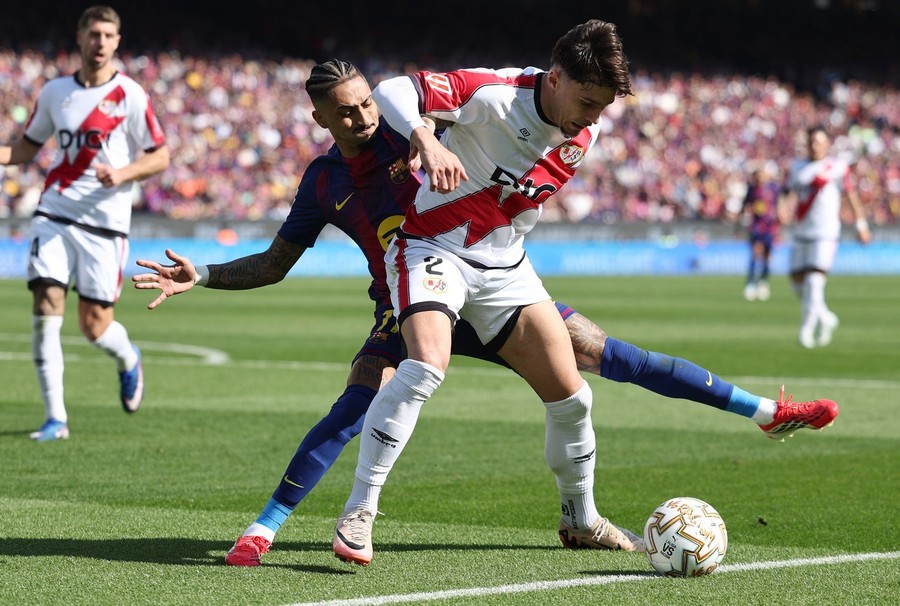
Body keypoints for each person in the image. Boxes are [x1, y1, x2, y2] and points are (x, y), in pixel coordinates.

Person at [134, 59, 838, 568]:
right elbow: (274, 262)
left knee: (603, 356)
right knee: (362, 395)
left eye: (364, 104)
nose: (362, 116)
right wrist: (208, 274)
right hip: (416, 294)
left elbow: (445, 106)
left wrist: (428, 136)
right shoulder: (322, 183)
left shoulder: (411, 130)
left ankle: (758, 415)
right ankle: (267, 526)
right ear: (319, 117)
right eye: (345, 110)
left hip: (489, 276)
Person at [328, 21, 842, 567]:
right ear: (554, 79)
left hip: (505, 269)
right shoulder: (495, 93)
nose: (594, 117)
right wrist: (426, 138)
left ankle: (581, 519)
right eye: (588, 101)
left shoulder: (583, 133)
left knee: (574, 399)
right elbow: (392, 91)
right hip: (433, 250)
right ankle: (360, 510)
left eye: (602, 106)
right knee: (427, 365)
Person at [0, 5, 169, 441]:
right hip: (54, 212)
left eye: (109, 35)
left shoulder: (130, 95)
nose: (100, 42)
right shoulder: (56, 92)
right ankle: (55, 419)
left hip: (105, 224)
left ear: (117, 41)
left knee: (93, 325)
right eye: (94, 33)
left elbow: (161, 154)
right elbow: (24, 150)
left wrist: (124, 173)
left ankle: (128, 358)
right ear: (80, 37)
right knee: (44, 308)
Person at [782, 126, 871, 348]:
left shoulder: (837, 168)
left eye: (819, 142)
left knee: (814, 282)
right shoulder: (797, 167)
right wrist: (781, 209)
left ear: (827, 144)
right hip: (801, 232)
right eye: (812, 142)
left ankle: (806, 331)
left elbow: (850, 195)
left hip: (825, 234)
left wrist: (861, 224)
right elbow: (786, 192)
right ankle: (825, 318)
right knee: (797, 285)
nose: (815, 146)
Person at [740, 166, 780, 302]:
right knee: (755, 254)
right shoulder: (751, 190)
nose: (760, 178)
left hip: (770, 227)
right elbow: (745, 205)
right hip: (757, 227)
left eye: (762, 175)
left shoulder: (773, 189)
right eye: (757, 176)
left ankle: (763, 281)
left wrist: (780, 222)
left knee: (768, 256)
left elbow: (778, 205)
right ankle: (750, 283)